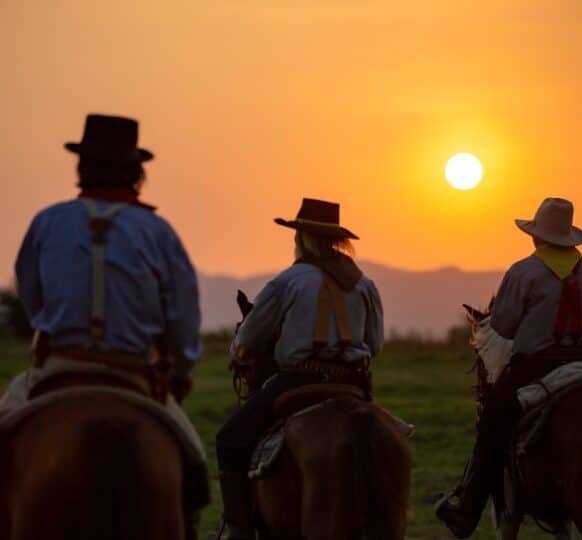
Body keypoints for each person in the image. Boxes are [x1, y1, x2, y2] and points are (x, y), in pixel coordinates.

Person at [2, 113, 205, 538]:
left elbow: (32, 297)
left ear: (81, 167)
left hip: (59, 365)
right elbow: (183, 317)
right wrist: (182, 370)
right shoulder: (158, 231)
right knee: (195, 466)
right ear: (136, 172)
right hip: (132, 372)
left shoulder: (47, 222)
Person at [215, 198, 384, 539]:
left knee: (229, 439)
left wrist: (238, 353)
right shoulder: (365, 284)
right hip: (353, 384)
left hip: (298, 379)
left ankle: (240, 531)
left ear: (302, 237)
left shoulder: (288, 281)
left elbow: (249, 338)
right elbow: (375, 344)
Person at [436, 197, 582, 537]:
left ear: (536, 236)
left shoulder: (523, 271)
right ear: (569, 236)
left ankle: (468, 509)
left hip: (537, 366)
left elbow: (505, 327)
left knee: (492, 423)